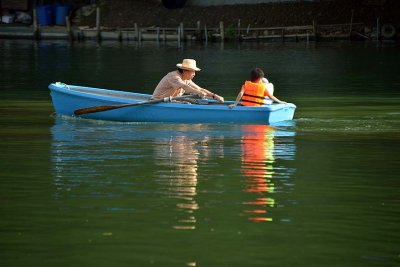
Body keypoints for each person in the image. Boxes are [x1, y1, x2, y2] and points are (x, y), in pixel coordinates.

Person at [152, 59, 224, 102]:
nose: (194, 74)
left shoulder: (187, 79)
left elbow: (200, 89)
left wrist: (214, 96)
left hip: (170, 101)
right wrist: (198, 92)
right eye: (192, 71)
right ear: (184, 71)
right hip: (158, 101)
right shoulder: (174, 76)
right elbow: (185, 86)